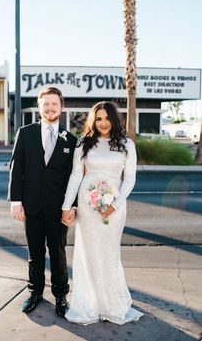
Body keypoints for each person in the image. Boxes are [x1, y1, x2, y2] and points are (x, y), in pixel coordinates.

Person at [62, 101, 143, 325]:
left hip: (114, 207)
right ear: (93, 120)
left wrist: (114, 205)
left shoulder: (127, 145)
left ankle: (111, 305)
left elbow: (130, 179)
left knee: (109, 253)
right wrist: (66, 206)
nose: (103, 123)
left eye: (107, 118)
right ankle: (89, 304)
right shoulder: (83, 143)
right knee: (87, 254)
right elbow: (76, 176)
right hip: (88, 206)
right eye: (99, 118)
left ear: (114, 120)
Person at [8, 87, 77, 316]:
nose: (50, 108)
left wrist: (72, 206)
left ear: (61, 107)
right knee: (34, 253)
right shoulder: (25, 133)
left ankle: (60, 296)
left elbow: (73, 177)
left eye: (54, 104)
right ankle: (35, 292)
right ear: (39, 106)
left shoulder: (70, 139)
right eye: (45, 104)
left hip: (58, 208)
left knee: (58, 253)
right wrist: (15, 200)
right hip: (32, 206)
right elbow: (16, 168)